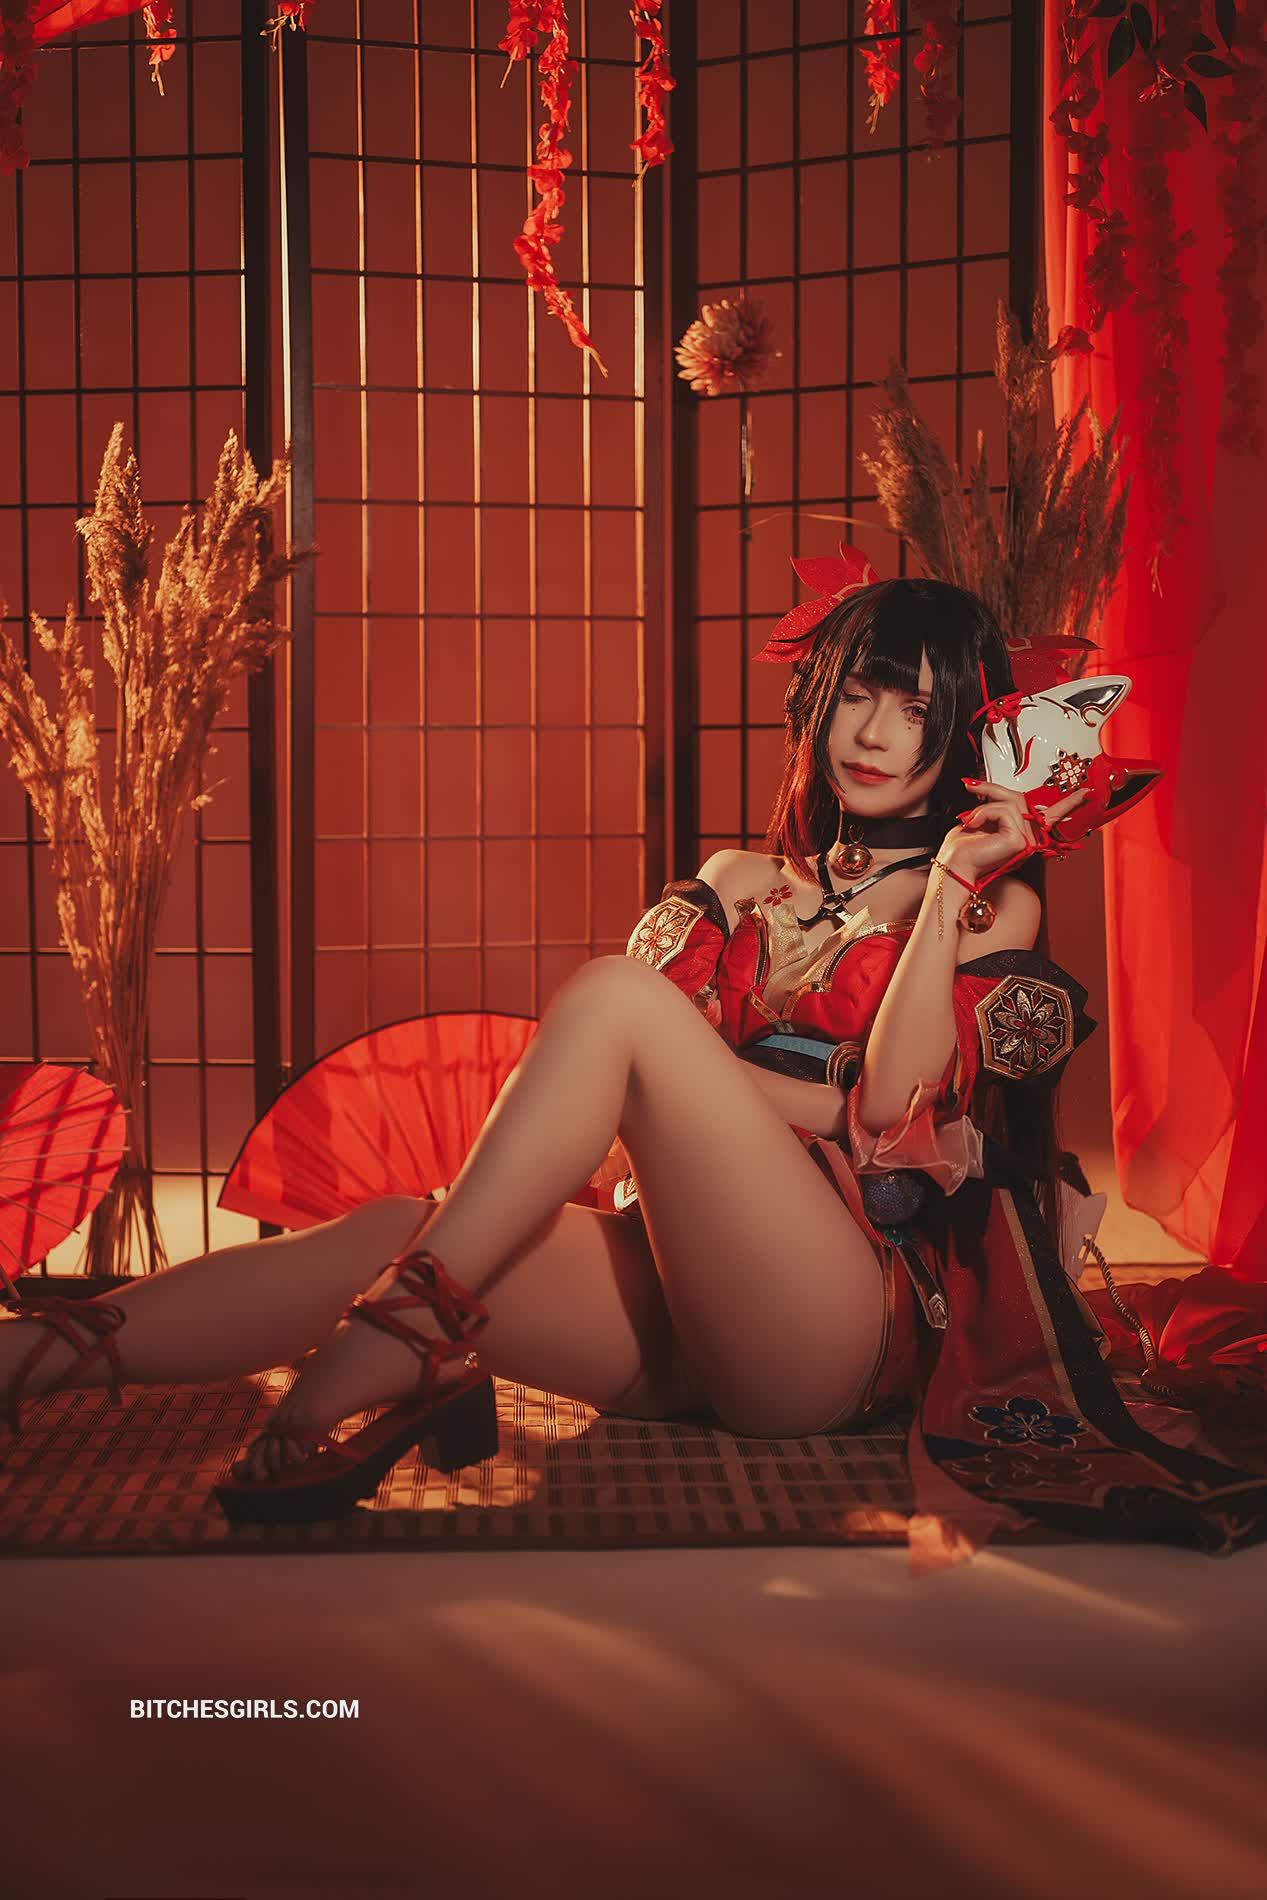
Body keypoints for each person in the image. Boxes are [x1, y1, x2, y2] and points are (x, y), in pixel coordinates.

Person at [2, 579, 1265, 1555]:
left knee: (614, 999)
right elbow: (646, 1102)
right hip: (677, 1301)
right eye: (859, 695)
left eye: (919, 713)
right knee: (391, 1223)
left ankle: (407, 1329)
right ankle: (29, 1366)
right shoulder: (737, 882)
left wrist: (942, 889)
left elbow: (884, 1109)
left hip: (830, 1323)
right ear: (817, 699)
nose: (876, 734)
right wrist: (774, 1095)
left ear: (965, 739)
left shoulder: (987, 910)